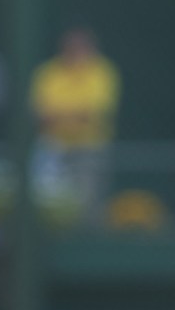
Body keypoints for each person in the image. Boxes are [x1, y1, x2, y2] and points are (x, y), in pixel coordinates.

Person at [29, 27, 121, 224]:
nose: (76, 51)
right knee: (47, 204)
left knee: (87, 205)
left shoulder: (101, 71)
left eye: (81, 47)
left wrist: (60, 116)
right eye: (72, 47)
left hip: (89, 149)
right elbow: (42, 114)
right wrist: (73, 115)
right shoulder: (48, 72)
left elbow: (92, 114)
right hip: (53, 149)